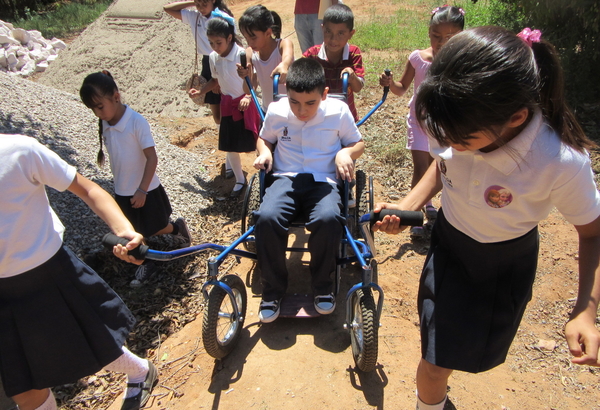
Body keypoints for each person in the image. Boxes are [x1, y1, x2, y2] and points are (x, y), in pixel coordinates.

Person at [372, 26, 600, 410]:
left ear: (515, 118)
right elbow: (445, 164)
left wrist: (586, 310)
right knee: (434, 363)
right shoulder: (461, 121)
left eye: (458, 138)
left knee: (467, 353)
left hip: (502, 268)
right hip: (449, 249)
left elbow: (593, 233)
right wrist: (407, 202)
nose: (445, 142)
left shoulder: (557, 161)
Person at [0, 134, 157, 410]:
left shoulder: (19, 151)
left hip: (49, 274)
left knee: (96, 342)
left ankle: (140, 370)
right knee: (25, 389)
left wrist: (124, 231)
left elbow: (87, 189)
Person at [253, 58, 364, 323]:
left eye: (310, 103)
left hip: (324, 180)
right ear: (286, 93)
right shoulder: (278, 110)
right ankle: (272, 292)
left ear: (324, 94)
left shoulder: (338, 111)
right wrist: (265, 151)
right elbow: (263, 137)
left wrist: (345, 153)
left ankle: (323, 287)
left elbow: (358, 143)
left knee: (328, 219)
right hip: (285, 179)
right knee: (266, 218)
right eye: (295, 102)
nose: (302, 110)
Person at [79, 71, 191, 286]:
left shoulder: (136, 122)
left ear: (116, 96)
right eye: (93, 109)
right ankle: (145, 264)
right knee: (134, 232)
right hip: (122, 189)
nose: (97, 113)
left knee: (153, 226)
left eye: (100, 106)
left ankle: (177, 228)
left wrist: (142, 190)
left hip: (145, 189)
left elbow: (152, 158)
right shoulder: (106, 123)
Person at [379, 5, 465, 237]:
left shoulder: (460, 62)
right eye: (437, 36)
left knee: (442, 167)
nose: (442, 42)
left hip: (445, 126)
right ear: (429, 32)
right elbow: (401, 89)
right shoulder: (418, 59)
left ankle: (435, 208)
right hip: (418, 122)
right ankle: (414, 216)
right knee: (421, 168)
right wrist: (390, 83)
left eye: (450, 37)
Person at [194, 16, 261, 198]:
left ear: (229, 38)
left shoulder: (242, 55)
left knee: (258, 141)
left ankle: (265, 176)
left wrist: (248, 96)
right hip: (227, 105)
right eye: (211, 43)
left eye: (218, 42)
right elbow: (215, 80)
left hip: (245, 104)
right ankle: (240, 179)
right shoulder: (213, 57)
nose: (215, 47)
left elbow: (253, 78)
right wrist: (200, 92)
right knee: (229, 145)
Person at [303, 3, 365, 123]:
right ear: (322, 29)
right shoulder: (312, 55)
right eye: (328, 31)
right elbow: (297, 71)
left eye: (340, 33)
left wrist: (352, 77)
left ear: (351, 34)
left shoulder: (353, 53)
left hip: (345, 117)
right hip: (318, 117)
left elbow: (358, 87)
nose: (333, 39)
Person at [237, 5, 295, 111]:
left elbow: (288, 57)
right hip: (268, 111)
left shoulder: (283, 45)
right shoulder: (250, 53)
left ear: (268, 33)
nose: (249, 42)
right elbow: (248, 90)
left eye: (253, 37)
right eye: (246, 38)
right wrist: (246, 76)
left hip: (290, 110)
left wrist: (284, 65)